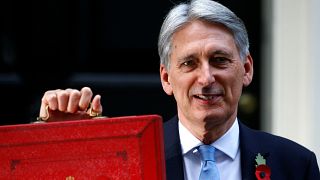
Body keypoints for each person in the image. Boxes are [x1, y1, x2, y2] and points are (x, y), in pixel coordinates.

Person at [38, 0, 320, 179]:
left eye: (219, 60)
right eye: (189, 63)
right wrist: (64, 149)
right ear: (166, 78)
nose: (206, 78)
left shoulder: (295, 165)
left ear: (246, 69)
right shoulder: (126, 161)